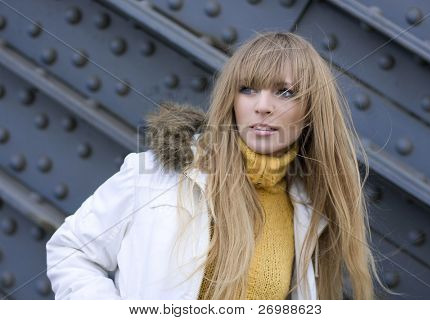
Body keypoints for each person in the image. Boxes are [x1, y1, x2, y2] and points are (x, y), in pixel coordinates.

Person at [46, 31, 383, 300]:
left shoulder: (309, 210)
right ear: (232, 100)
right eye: (248, 89)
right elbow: (71, 251)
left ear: (311, 109)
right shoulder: (156, 175)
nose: (263, 106)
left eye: (285, 93)